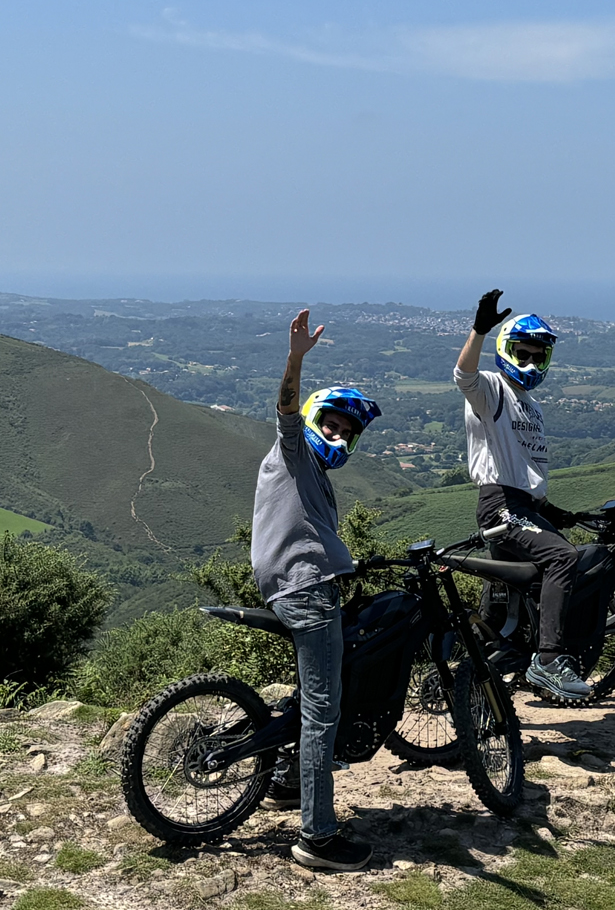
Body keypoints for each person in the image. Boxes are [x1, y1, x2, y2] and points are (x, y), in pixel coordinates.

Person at [250, 309, 382, 872]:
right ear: (312, 417)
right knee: (322, 716)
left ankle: (283, 783)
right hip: (306, 592)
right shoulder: (292, 451)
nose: (340, 434)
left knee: (311, 699)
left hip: (303, 587)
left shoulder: (314, 478)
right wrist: (296, 359)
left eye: (350, 431)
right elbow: (284, 411)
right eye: (333, 422)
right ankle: (318, 838)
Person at [454, 289, 590, 700]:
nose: (530, 362)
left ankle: (489, 674)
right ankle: (548, 660)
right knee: (562, 557)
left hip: (525, 506)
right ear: (505, 351)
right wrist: (479, 329)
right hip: (501, 506)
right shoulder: (493, 390)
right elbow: (463, 376)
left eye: (538, 356)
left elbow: (528, 468)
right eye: (522, 353)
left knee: (516, 597)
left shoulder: (532, 406)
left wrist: (552, 509)